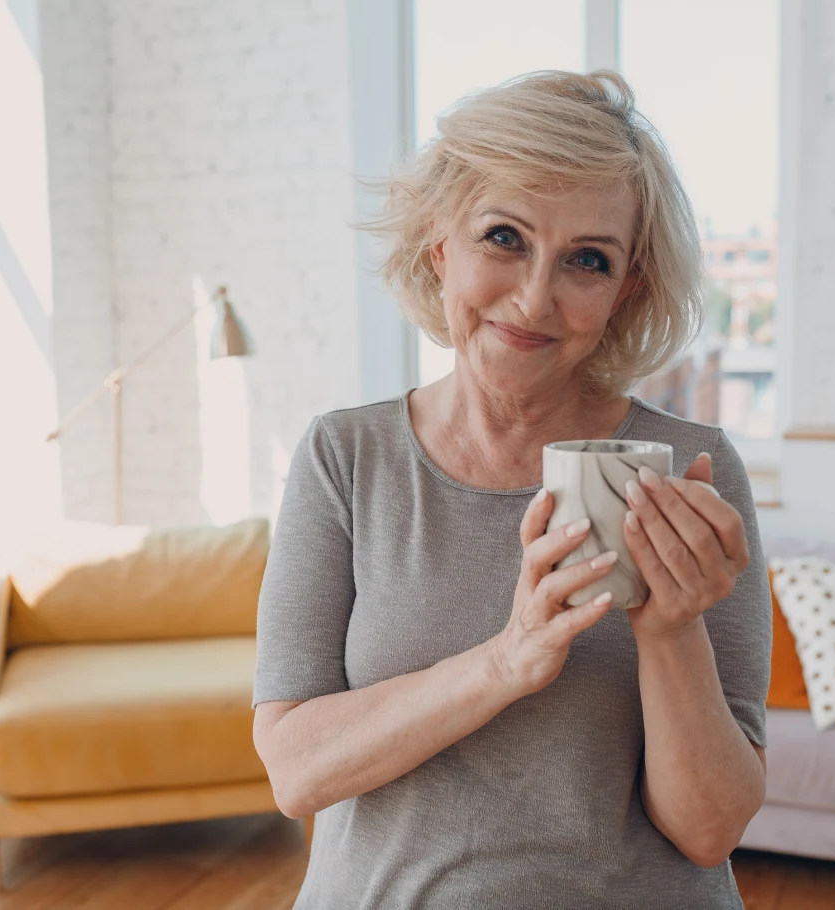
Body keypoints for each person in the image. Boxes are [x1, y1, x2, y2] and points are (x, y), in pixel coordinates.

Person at [251, 69, 770, 909]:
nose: (535, 297)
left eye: (587, 261)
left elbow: (708, 831)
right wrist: (506, 657)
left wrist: (671, 631)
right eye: (504, 237)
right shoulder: (345, 457)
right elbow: (296, 770)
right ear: (439, 242)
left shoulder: (690, 469)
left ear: (624, 289)